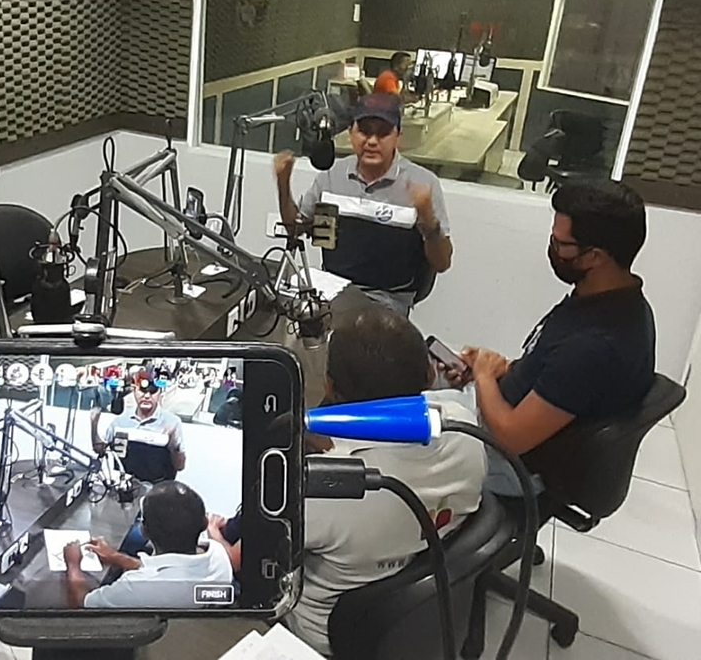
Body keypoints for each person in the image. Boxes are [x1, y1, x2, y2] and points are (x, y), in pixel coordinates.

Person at [286, 305, 486, 657]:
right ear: (429, 374)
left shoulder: (325, 488)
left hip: (322, 628)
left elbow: (248, 544)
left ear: (329, 386)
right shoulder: (464, 425)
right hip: (412, 608)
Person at [448, 180, 655, 499]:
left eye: (561, 244)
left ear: (595, 256)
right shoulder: (615, 300)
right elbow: (555, 371)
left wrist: (485, 377)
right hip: (500, 415)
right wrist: (500, 369)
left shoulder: (596, 346)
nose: (552, 249)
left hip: (510, 466)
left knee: (391, 443)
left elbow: (511, 438)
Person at [274, 93, 453, 316]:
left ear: (398, 136)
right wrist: (283, 183)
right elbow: (295, 228)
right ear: (351, 132)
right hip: (333, 291)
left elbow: (442, 263)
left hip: (388, 301)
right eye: (364, 131)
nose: (372, 141)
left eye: (383, 133)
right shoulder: (331, 176)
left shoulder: (423, 183)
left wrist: (427, 218)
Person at [63, 481, 232, 608]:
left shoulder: (138, 587)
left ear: (144, 530)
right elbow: (166, 570)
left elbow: (82, 604)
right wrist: (116, 557)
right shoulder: (219, 556)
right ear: (204, 523)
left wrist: (73, 564)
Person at [90, 373, 186, 483]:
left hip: (156, 489)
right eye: (142, 391)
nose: (147, 396)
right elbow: (100, 450)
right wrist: (94, 424)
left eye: (152, 392)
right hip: (124, 486)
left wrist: (174, 447)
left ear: (160, 394)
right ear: (134, 391)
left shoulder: (172, 422)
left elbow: (180, 466)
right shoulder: (120, 422)